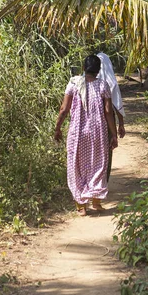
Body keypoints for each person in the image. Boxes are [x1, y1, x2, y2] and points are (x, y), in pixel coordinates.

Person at [54, 55, 118, 216]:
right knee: (98, 164)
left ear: (84, 68)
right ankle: (96, 202)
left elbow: (64, 109)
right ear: (98, 71)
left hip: (78, 132)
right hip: (98, 131)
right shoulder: (103, 85)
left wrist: (58, 128)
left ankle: (81, 206)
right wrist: (114, 134)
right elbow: (108, 112)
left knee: (76, 165)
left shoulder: (74, 83)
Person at [97, 52, 126, 180]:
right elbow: (116, 103)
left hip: (88, 121)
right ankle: (103, 179)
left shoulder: (84, 80)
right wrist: (121, 124)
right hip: (106, 123)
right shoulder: (110, 81)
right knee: (106, 151)